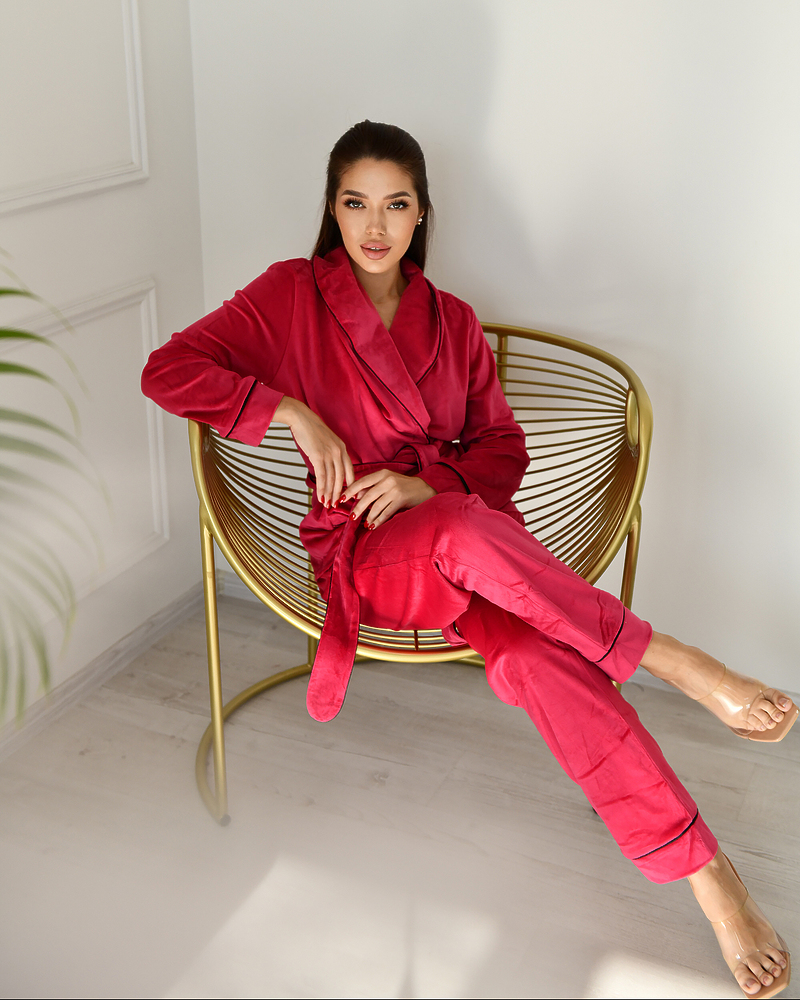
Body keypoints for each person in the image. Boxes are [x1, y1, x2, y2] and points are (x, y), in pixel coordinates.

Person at [141, 120, 795, 998]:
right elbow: (167, 369)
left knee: (539, 658)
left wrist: (426, 483)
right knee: (459, 528)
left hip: (471, 545)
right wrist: (292, 413)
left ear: (422, 214)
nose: (375, 225)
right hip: (370, 558)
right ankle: (672, 659)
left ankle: (709, 875)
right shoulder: (287, 296)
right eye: (355, 203)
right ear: (332, 209)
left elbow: (502, 449)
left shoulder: (451, 320)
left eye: (396, 204)